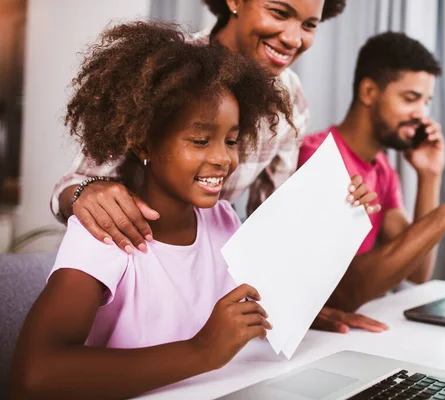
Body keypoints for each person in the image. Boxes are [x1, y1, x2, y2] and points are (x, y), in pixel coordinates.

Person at [48, 0, 388, 334]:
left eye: (309, 25)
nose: (293, 38)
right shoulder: (164, 69)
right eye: (279, 12)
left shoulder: (289, 97)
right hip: (134, 271)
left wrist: (334, 215)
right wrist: (85, 192)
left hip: (205, 282)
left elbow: (271, 225)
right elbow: (73, 184)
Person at [10, 22, 307, 398]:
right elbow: (32, 375)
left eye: (231, 140)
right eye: (200, 140)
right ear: (143, 144)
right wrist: (201, 351)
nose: (222, 158)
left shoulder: (223, 220)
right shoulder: (106, 230)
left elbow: (259, 309)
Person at [299, 32, 445, 313]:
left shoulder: (382, 170)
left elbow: (417, 272)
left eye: (426, 102)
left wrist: (430, 175)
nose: (422, 113)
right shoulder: (317, 157)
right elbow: (341, 292)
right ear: (369, 92)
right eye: (411, 98)